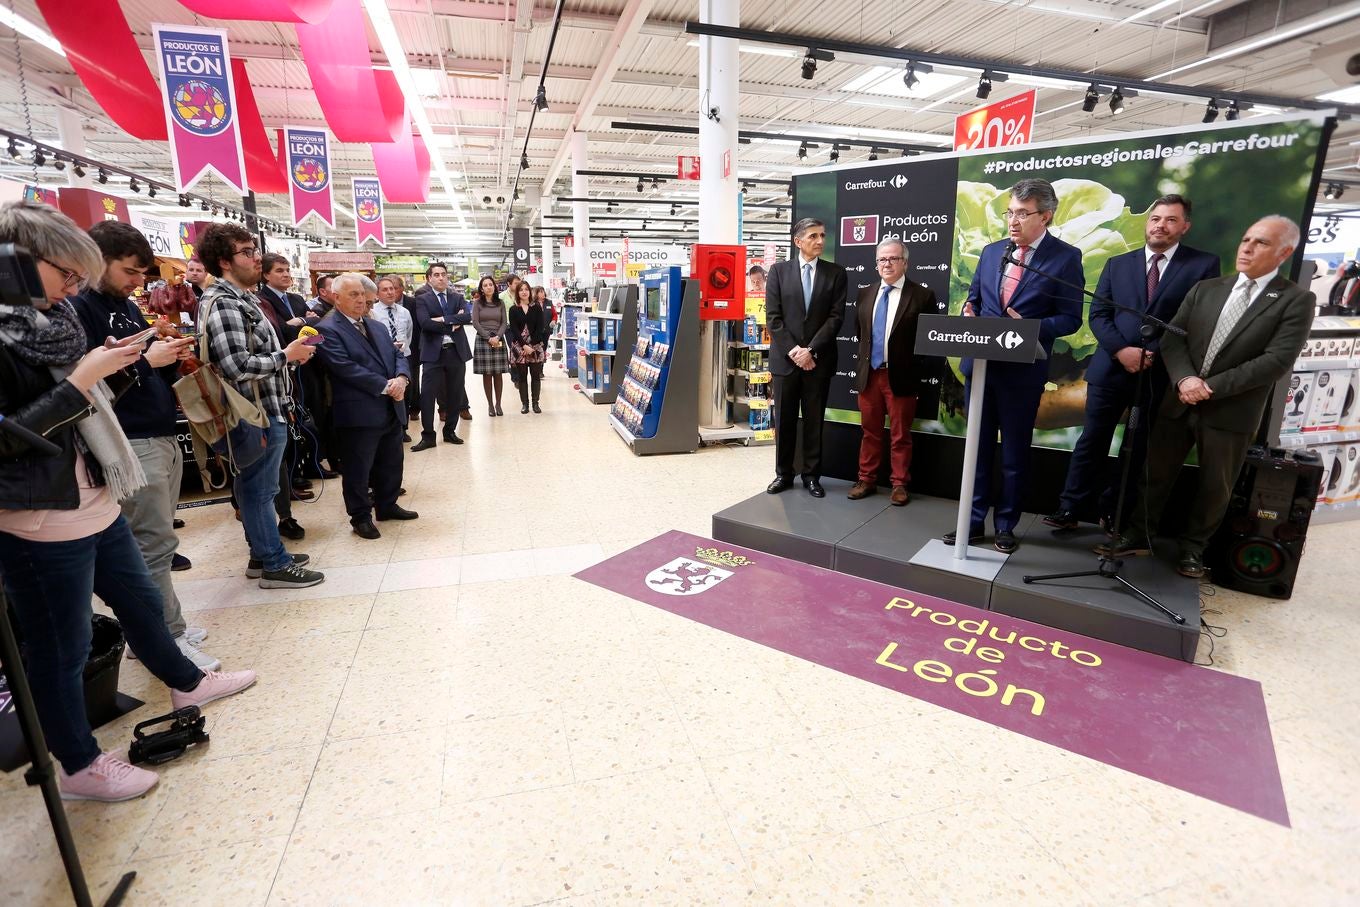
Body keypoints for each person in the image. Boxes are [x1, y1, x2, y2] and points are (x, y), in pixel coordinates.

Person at [0, 201, 255, 801]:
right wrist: (83, 380)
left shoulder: (53, 322)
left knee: (140, 597)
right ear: (18, 263)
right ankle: (78, 764)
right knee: (59, 645)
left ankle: (185, 681)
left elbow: (83, 407)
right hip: (40, 514)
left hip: (94, 491)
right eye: (65, 271)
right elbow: (14, 436)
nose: (73, 286)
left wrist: (114, 369)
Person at [1102, 216, 1315, 578]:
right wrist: (1185, 379)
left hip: (1231, 409)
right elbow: (1173, 338)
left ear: (1285, 252)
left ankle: (1193, 548)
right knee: (1155, 473)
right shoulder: (1207, 288)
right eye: (1246, 239)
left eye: (1260, 242)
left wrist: (1209, 387)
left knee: (1216, 485)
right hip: (1179, 399)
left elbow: (1276, 361)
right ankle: (1138, 532)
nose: (1246, 247)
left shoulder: (1295, 300)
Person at [69, 221, 220, 670]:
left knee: (159, 540)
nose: (139, 282)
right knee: (152, 543)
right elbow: (86, 385)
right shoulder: (81, 310)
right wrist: (145, 362)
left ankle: (163, 627)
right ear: (97, 261)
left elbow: (134, 358)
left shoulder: (124, 306)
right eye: (130, 271)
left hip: (157, 431)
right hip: (130, 440)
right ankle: (165, 639)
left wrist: (161, 347)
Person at [1046, 195, 1220, 533]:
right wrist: (1121, 351)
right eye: (1156, 218)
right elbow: (1098, 315)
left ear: (1185, 226)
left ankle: (1114, 513)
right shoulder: (1118, 263)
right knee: (1091, 441)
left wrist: (1151, 352)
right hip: (1110, 370)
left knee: (1137, 448)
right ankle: (1070, 507)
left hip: (1158, 374)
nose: (1160, 225)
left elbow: (1199, 321)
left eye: (1170, 220)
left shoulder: (1202, 266)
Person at [952, 178, 1083, 553]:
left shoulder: (1064, 258)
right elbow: (974, 299)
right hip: (980, 367)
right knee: (976, 452)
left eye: (1023, 214)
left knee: (1013, 454)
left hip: (1022, 372)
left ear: (1046, 216)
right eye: (1010, 212)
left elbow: (1070, 319)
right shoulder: (993, 252)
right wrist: (969, 310)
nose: (1013, 220)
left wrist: (1028, 329)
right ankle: (971, 525)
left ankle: (1006, 526)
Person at [197, 223, 324, 588]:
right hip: (253, 412)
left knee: (260, 487)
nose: (256, 258)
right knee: (258, 489)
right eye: (247, 252)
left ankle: (262, 552)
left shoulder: (243, 297)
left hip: (267, 405)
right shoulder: (223, 302)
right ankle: (273, 562)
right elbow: (235, 366)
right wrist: (286, 356)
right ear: (224, 261)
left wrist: (289, 357)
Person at [316, 274, 417, 539]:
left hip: (390, 408)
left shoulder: (376, 326)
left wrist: (402, 378)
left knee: (391, 460)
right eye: (353, 295)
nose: (361, 299)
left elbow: (398, 354)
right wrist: (387, 386)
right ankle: (360, 516)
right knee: (358, 468)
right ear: (336, 298)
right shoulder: (328, 329)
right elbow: (344, 368)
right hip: (359, 412)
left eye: (362, 294)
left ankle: (387, 504)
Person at [846, 238, 935, 507]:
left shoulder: (922, 296)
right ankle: (867, 479)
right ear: (876, 264)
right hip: (869, 375)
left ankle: (899, 484)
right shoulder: (866, 293)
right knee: (870, 431)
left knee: (900, 434)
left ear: (905, 262)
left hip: (900, 377)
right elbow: (860, 334)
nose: (887, 264)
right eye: (882, 259)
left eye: (893, 259)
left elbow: (926, 341)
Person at [764, 217, 847, 499]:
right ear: (798, 241)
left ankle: (812, 476)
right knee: (784, 420)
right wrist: (795, 352)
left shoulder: (836, 273)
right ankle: (783, 474)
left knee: (814, 421)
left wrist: (810, 351)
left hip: (818, 361)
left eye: (822, 235)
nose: (820, 241)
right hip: (785, 363)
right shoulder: (777, 272)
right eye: (813, 236)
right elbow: (773, 319)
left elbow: (836, 318)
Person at [255, 253, 312, 538]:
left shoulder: (296, 300)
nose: (287, 274)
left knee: (284, 452)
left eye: (288, 269)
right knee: (260, 472)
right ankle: (265, 537)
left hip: (287, 382)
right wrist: (288, 349)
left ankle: (285, 509)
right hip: (256, 400)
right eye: (280, 270)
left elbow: (302, 330)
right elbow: (237, 364)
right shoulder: (258, 302)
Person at [412, 261, 472, 450]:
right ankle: (428, 436)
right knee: (428, 395)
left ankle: (450, 431)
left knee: (455, 393)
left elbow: (466, 317)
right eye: (436, 275)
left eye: (443, 274)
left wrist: (442, 319)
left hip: (456, 351)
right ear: (429, 278)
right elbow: (425, 323)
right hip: (432, 353)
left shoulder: (457, 297)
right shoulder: (422, 299)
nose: (440, 277)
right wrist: (452, 323)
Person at [373, 276, 414, 439]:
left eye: (392, 289)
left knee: (405, 394)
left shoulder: (404, 312)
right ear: (377, 293)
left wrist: (401, 348)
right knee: (389, 392)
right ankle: (389, 427)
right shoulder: (372, 312)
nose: (390, 292)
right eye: (385, 289)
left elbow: (409, 333)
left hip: (404, 358)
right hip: (383, 360)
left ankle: (403, 428)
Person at [470, 275, 509, 416]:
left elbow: (504, 322)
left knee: (498, 373)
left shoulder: (500, 303)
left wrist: (497, 336)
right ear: (481, 288)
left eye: (490, 284)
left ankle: (499, 404)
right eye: (485, 285)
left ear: (494, 286)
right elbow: (475, 322)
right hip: (483, 340)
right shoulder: (478, 303)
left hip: (498, 338)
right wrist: (488, 337)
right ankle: (490, 405)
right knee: (487, 374)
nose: (488, 287)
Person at [507, 281, 548, 414]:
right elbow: (513, 329)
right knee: (522, 377)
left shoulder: (536, 307)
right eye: (521, 290)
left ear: (530, 292)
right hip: (519, 347)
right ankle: (525, 404)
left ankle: (536, 403)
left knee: (536, 376)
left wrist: (531, 345)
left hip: (535, 346)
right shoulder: (513, 309)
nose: (524, 292)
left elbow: (540, 328)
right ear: (517, 293)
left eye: (526, 289)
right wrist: (524, 345)